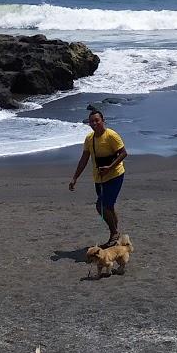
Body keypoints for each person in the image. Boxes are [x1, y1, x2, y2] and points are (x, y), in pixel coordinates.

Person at [69, 105, 127, 247]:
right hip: (99, 178)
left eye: (97, 120)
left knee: (101, 206)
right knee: (109, 206)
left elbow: (124, 153)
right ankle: (116, 234)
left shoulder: (111, 135)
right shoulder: (89, 139)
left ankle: (114, 233)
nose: (94, 123)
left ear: (103, 120)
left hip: (115, 175)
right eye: (92, 122)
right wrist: (75, 178)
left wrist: (109, 167)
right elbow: (84, 159)